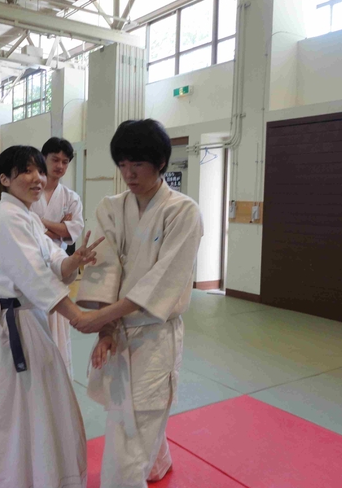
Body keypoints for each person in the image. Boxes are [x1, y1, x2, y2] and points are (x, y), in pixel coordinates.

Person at [0, 145, 103, 488]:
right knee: (12, 411)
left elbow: (52, 259)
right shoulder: (7, 218)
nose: (37, 178)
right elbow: (33, 276)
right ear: (4, 179)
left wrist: (73, 260)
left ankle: (35, 476)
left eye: (39, 170)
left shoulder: (27, 217)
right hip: (10, 327)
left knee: (35, 408)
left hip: (29, 321)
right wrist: (76, 316)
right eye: (26, 171)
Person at [73, 119, 204, 488]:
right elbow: (104, 271)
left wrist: (99, 318)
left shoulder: (183, 211)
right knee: (129, 413)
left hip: (154, 332)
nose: (128, 174)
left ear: (160, 163)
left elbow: (163, 280)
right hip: (119, 329)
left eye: (138, 164)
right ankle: (157, 463)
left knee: (131, 428)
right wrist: (106, 329)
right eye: (122, 164)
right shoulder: (111, 208)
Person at [31, 137, 84, 379]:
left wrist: (41, 223)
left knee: (57, 319)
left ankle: (57, 377)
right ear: (43, 158)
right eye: (55, 159)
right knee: (32, 319)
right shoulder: (30, 191)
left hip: (57, 264)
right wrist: (59, 226)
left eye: (65, 161)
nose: (60, 166)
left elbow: (73, 232)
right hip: (29, 260)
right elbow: (23, 229)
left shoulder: (70, 197)